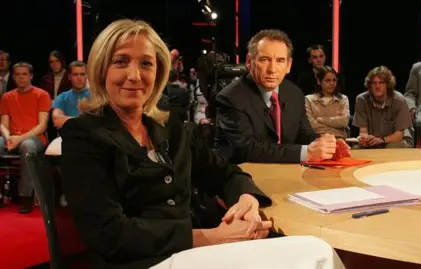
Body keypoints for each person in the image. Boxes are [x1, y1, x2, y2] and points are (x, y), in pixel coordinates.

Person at [60, 19, 345, 269]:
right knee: (314, 255)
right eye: (121, 61)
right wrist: (213, 237)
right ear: (100, 70)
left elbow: (224, 172)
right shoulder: (83, 135)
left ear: (158, 72)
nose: (135, 75)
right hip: (142, 262)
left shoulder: (170, 126)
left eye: (146, 63)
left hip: (191, 253)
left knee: (315, 249)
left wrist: (246, 199)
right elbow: (110, 235)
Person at [215, 29, 350, 164]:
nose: (272, 69)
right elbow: (246, 148)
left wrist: (326, 145)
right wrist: (305, 153)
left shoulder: (294, 93)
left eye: (280, 60)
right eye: (265, 60)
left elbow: (304, 134)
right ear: (249, 61)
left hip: (288, 173)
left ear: (288, 65)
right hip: (245, 174)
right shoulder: (230, 98)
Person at [0, 62, 51, 213]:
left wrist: (18, 139)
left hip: (34, 138)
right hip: (13, 137)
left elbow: (42, 126)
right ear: (13, 77)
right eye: (17, 74)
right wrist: (9, 137)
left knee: (26, 145)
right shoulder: (7, 97)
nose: (21, 78)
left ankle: (25, 195)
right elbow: (3, 124)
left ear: (31, 76)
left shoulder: (42, 95)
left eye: (24, 74)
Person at [353, 66, 413, 149]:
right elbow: (363, 131)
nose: (377, 86)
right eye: (374, 83)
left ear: (387, 85)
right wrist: (365, 139)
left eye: (381, 82)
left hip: (398, 140)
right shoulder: (361, 100)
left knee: (390, 147)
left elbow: (399, 135)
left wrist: (381, 140)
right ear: (369, 85)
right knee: (356, 148)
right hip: (374, 141)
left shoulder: (399, 100)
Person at [305, 66, 350, 139]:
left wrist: (321, 119)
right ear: (319, 81)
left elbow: (344, 122)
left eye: (334, 80)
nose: (332, 83)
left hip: (339, 139)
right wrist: (334, 127)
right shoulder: (309, 99)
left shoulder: (343, 99)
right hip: (318, 138)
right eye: (328, 80)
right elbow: (310, 124)